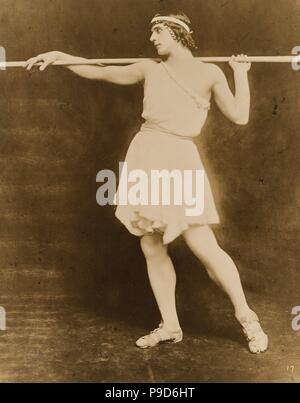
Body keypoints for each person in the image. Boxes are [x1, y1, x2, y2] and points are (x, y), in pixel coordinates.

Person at [25, 12, 268, 353]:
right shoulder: (148, 67)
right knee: (151, 244)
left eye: (158, 31)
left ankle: (247, 317)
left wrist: (240, 74)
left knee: (202, 244)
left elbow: (240, 116)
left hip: (180, 158)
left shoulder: (210, 73)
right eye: (152, 32)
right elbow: (101, 71)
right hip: (146, 152)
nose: (152, 38)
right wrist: (60, 58)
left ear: (178, 33)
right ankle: (170, 324)